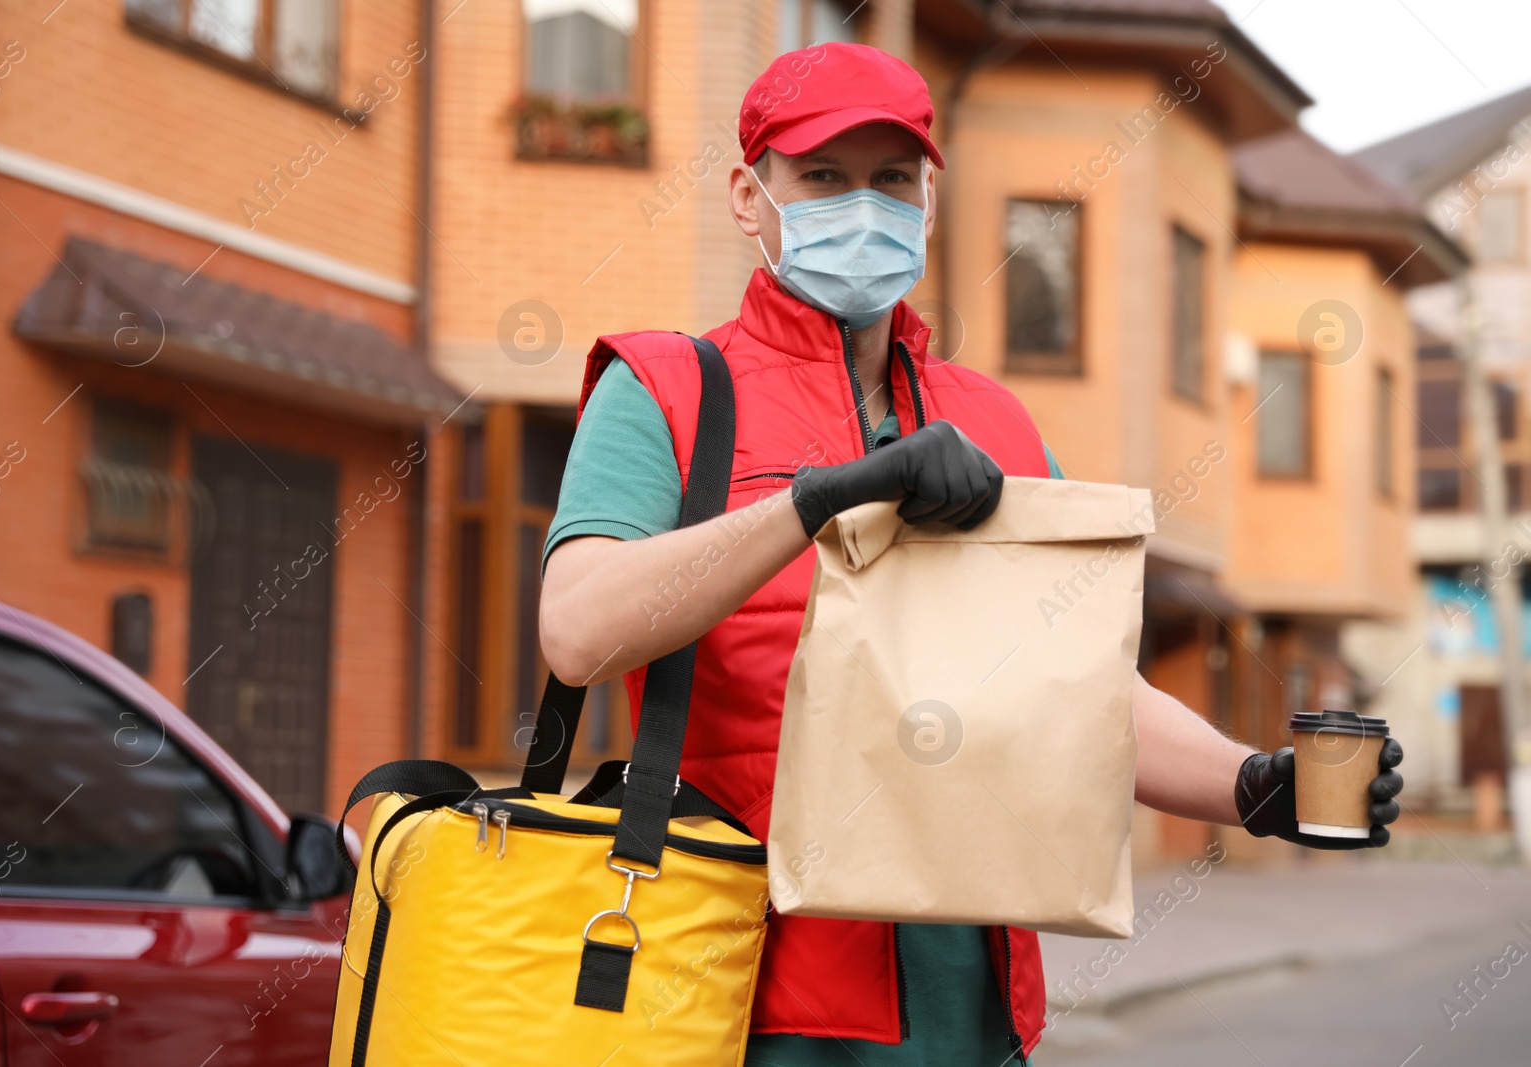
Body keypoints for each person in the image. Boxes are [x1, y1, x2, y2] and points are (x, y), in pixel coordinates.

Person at [539, 42, 1403, 1066]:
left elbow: (1075, 684)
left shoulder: (987, 419)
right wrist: (811, 503)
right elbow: (577, 631)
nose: (862, 206)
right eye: (822, 177)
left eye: (891, 179)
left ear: (929, 201)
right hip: (733, 994)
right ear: (745, 194)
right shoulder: (668, 389)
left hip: (971, 1002)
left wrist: (1253, 783)